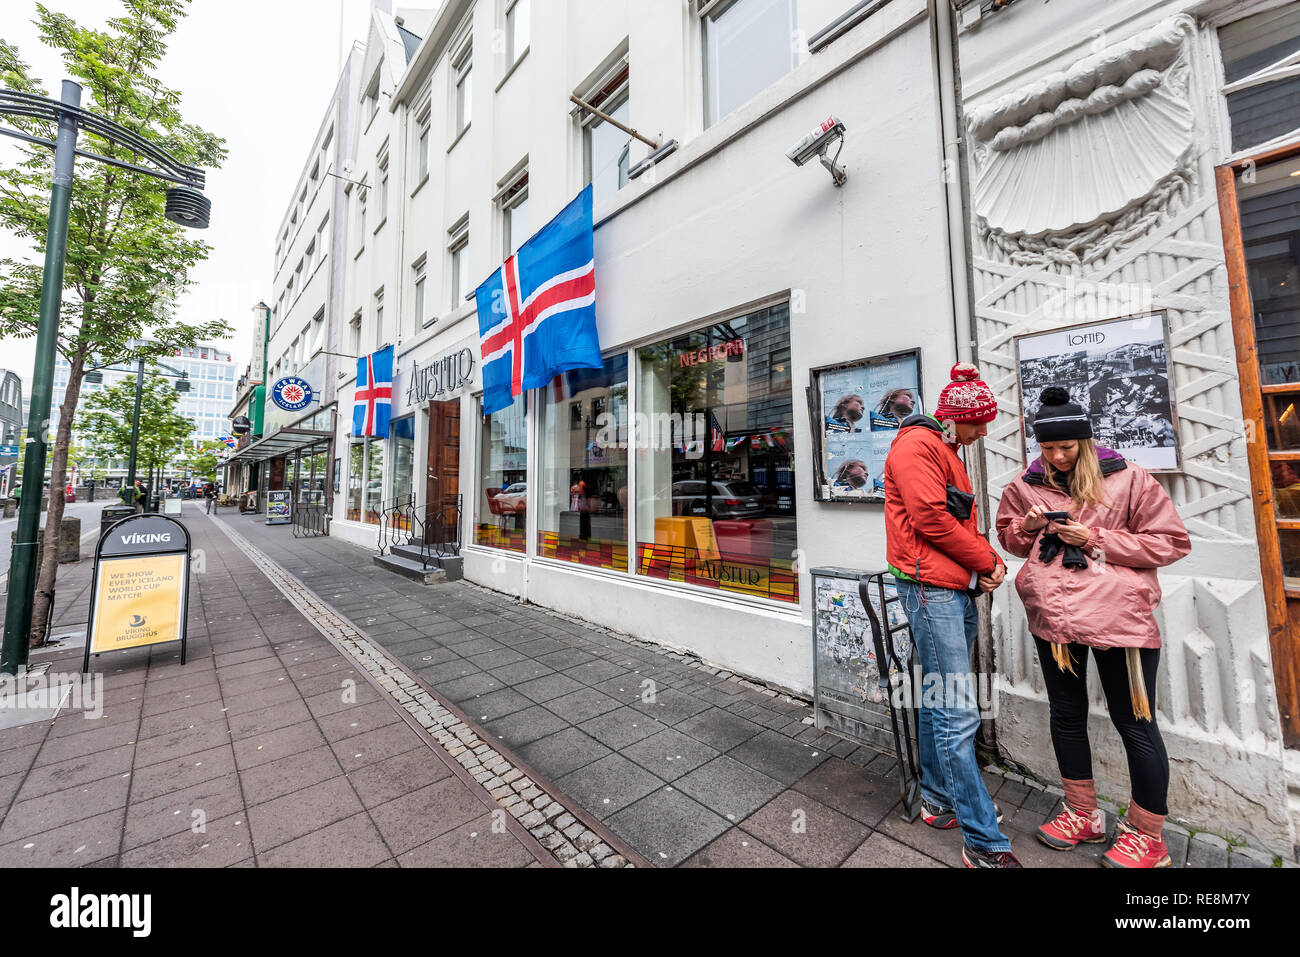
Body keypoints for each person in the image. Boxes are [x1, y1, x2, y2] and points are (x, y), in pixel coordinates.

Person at [995, 387, 1190, 868]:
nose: (1057, 457)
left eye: (1067, 448)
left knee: (1135, 723)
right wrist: (1027, 525)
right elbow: (1009, 540)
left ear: (1085, 441)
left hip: (1117, 619)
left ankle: (1148, 836)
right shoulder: (1026, 483)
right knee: (1065, 714)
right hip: (1054, 619)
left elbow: (1171, 542)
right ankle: (1082, 812)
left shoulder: (1129, 480)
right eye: (1048, 448)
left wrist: (1095, 537)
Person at [883, 362, 1017, 868]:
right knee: (958, 710)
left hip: (947, 586)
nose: (984, 431)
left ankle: (939, 800)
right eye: (978, 422)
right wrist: (987, 562)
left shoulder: (943, 447)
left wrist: (976, 572)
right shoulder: (919, 447)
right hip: (929, 589)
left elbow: (953, 518)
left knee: (942, 700)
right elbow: (932, 519)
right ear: (956, 417)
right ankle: (984, 842)